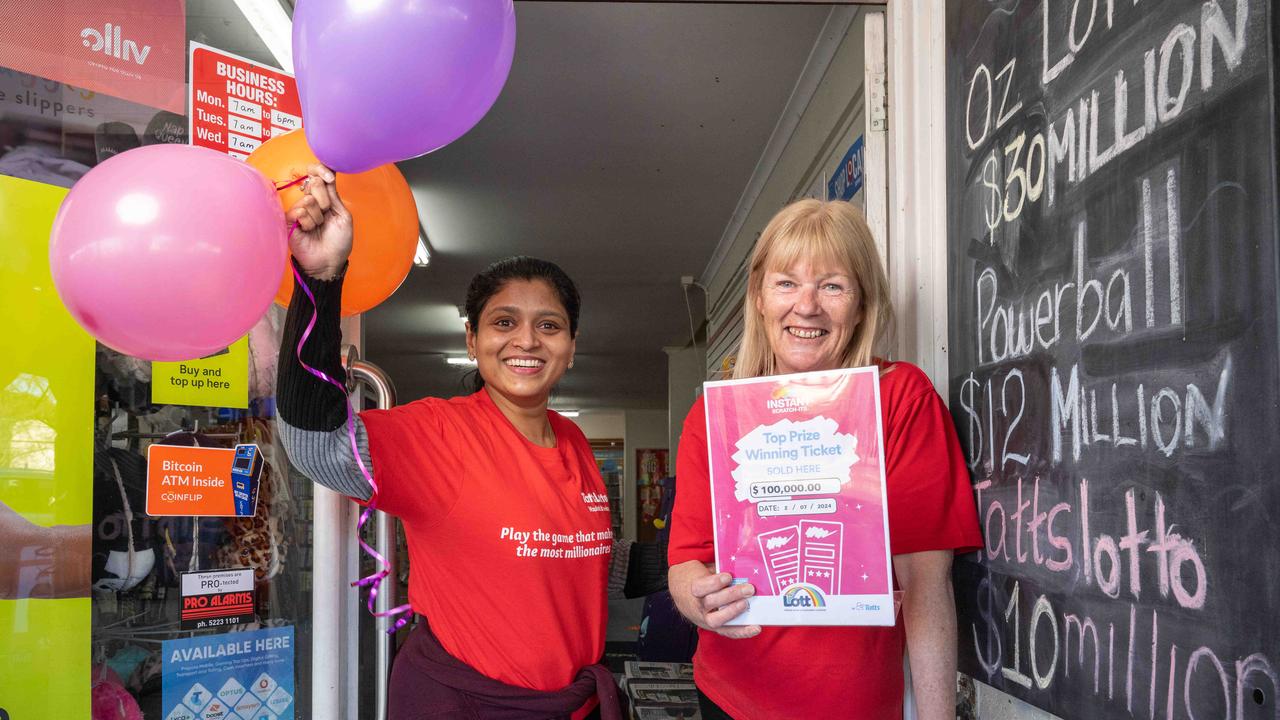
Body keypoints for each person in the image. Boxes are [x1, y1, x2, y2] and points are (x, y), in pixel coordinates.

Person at [276, 166, 661, 719]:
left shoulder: (573, 439)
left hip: (568, 706)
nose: (526, 340)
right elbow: (317, 445)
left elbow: (575, 559)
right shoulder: (440, 432)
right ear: (473, 341)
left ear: (572, 347)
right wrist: (321, 280)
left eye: (549, 326)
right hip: (465, 704)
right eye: (504, 322)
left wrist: (703, 555)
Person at [666, 199, 981, 719]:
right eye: (786, 283)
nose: (806, 306)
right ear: (760, 299)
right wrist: (696, 601)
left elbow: (926, 586)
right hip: (730, 694)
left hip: (852, 703)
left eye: (832, 285)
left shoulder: (900, 398)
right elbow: (686, 561)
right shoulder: (714, 415)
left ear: (860, 305)